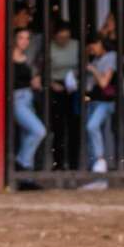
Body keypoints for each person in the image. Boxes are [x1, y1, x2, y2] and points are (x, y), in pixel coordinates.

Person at [82, 34, 118, 187]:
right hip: (94, 100)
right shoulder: (95, 59)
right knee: (91, 133)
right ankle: (96, 175)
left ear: (100, 43)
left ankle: (100, 161)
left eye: (93, 46)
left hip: (106, 101)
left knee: (92, 126)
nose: (91, 49)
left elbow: (104, 83)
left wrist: (92, 69)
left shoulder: (111, 56)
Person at [11, 28, 47, 175]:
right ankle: (21, 163)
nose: (24, 41)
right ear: (14, 39)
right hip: (17, 99)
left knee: (27, 135)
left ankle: (26, 176)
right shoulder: (8, 57)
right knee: (39, 131)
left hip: (28, 98)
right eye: (21, 37)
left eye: (27, 38)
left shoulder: (26, 57)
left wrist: (34, 82)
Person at [47, 22, 80, 170]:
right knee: (58, 127)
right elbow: (43, 67)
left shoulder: (76, 45)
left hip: (73, 87)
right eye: (61, 38)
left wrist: (75, 79)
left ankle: (74, 164)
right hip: (55, 86)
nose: (64, 41)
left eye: (67, 37)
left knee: (74, 126)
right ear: (55, 36)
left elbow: (83, 64)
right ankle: (58, 163)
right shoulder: (49, 47)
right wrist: (51, 83)